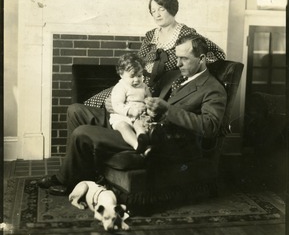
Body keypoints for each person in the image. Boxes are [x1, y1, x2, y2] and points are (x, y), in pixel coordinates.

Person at [37, 35, 227, 195]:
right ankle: (83, 173)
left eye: (184, 59)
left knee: (82, 132)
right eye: (177, 57)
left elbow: (210, 127)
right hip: (134, 117)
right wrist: (114, 105)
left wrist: (167, 111)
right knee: (75, 110)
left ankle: (67, 180)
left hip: (155, 137)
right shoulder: (176, 76)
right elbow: (139, 92)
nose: (177, 63)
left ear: (201, 59)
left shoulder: (213, 89)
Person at [85, 0, 225, 107]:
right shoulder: (151, 35)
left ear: (171, 8)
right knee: (93, 103)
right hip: (138, 84)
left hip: (165, 90)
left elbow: (218, 54)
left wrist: (189, 73)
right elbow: (137, 64)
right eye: (153, 11)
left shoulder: (186, 34)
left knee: (117, 106)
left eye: (161, 9)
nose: (156, 14)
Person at [109, 52, 152, 155]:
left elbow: (149, 99)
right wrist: (130, 111)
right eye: (132, 76)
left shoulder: (144, 87)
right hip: (122, 116)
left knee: (139, 124)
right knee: (124, 127)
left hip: (138, 116)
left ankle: (142, 138)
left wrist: (148, 106)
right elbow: (117, 105)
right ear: (121, 74)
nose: (136, 79)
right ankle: (137, 145)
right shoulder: (121, 87)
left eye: (139, 75)